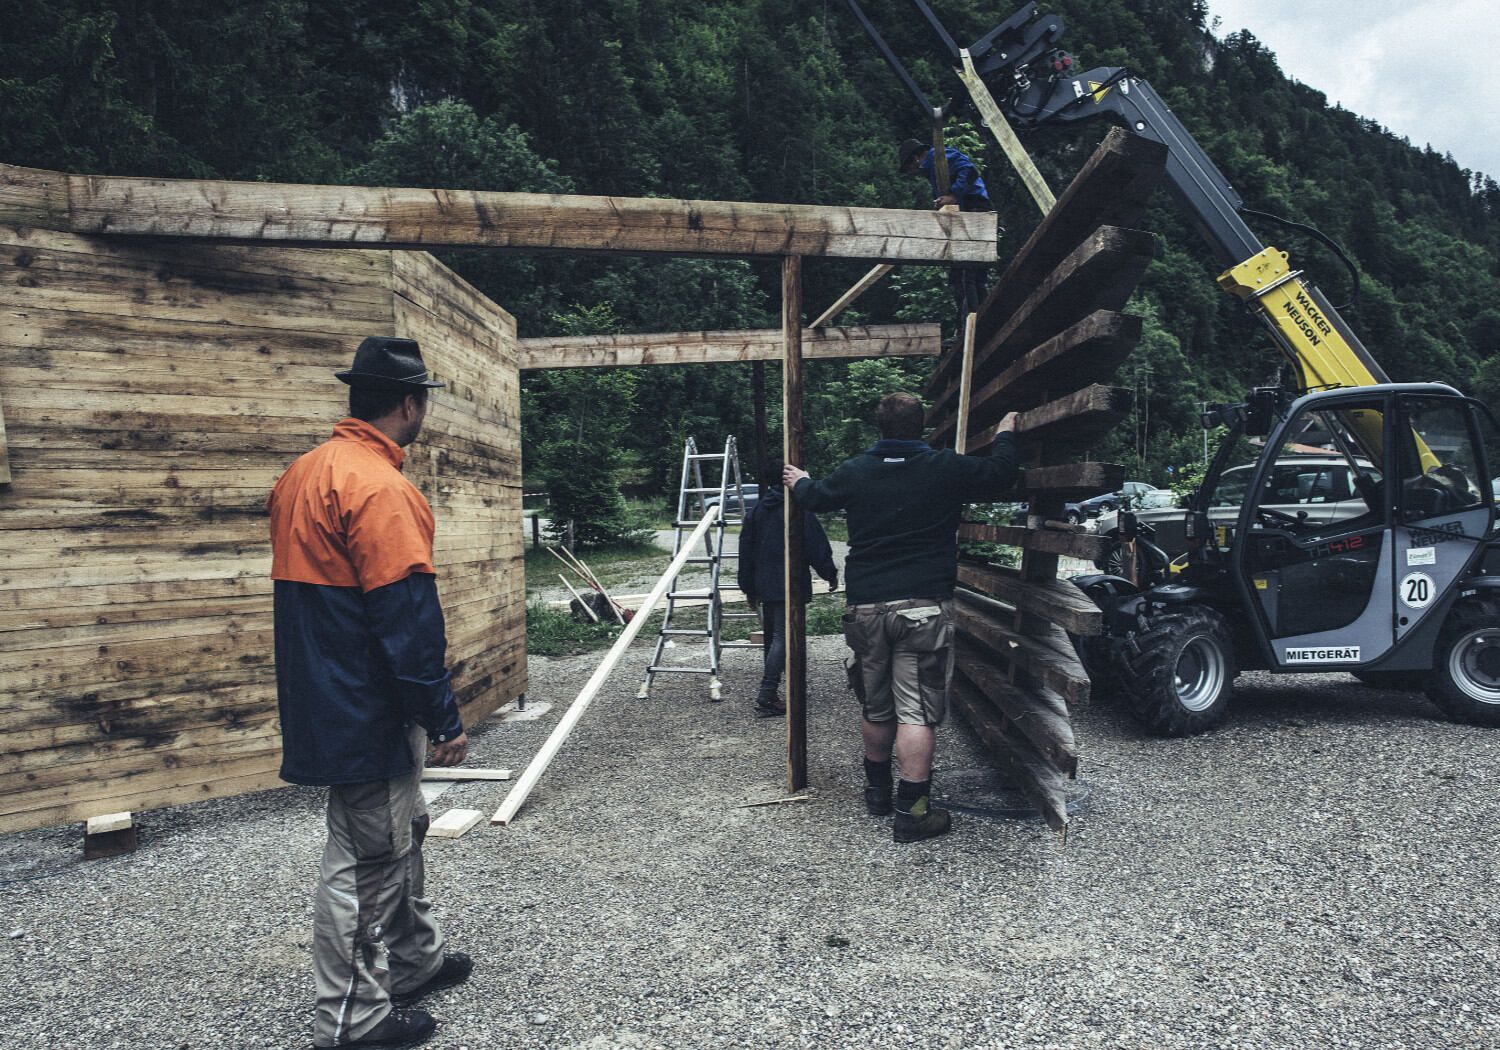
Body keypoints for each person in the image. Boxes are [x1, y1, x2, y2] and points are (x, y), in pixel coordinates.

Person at [268, 336, 472, 1049]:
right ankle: (351, 1018)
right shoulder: (381, 488)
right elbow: (406, 622)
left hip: (328, 692)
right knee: (366, 859)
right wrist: (441, 717)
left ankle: (414, 961)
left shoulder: (303, 473)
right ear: (410, 404)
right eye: (424, 403)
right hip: (365, 703)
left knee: (401, 828)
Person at [783, 393, 1020, 843]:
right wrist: (1006, 433)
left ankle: (876, 794)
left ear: (880, 427)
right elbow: (1002, 473)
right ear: (922, 425)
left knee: (876, 706)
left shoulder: (856, 471)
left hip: (866, 607)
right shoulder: (944, 467)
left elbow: (815, 496)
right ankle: (912, 813)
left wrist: (801, 481)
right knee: (917, 711)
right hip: (923, 607)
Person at [736, 465, 839, 718]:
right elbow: (815, 545)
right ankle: (767, 694)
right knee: (783, 638)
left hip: (764, 583)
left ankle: (779, 691)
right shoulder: (797, 508)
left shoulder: (758, 510)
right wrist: (829, 573)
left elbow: (745, 550)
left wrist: (748, 587)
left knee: (774, 638)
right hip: (789, 582)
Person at [899, 137, 993, 326]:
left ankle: (976, 326)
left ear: (915, 159)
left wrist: (953, 195)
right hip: (965, 215)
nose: (912, 173)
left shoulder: (939, 157)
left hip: (975, 209)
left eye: (909, 168)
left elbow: (970, 171)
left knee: (967, 274)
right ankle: (976, 324)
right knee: (963, 275)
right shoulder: (933, 170)